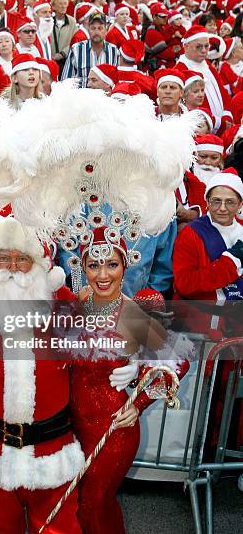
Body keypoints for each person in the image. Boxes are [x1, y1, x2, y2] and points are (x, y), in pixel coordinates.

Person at [0, 217, 138, 533]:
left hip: (51, 450)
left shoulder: (63, 303)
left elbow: (153, 340)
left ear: (37, 264)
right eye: (3, 257)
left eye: (22, 258)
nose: (12, 266)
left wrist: (136, 373)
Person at [71, 226, 190, 533]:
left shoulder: (132, 315)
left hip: (113, 430)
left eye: (112, 264)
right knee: (77, 504)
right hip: (69, 428)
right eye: (94, 265)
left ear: (125, 265)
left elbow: (180, 362)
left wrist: (138, 401)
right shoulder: (77, 303)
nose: (103, 275)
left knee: (93, 504)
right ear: (82, 267)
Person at [173, 168, 243, 336]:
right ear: (207, 201)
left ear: (240, 204)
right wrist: (230, 263)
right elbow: (185, 284)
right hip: (202, 329)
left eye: (230, 202)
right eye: (216, 201)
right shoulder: (191, 234)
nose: (222, 208)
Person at [62, 13, 119, 87]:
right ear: (88, 30)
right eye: (93, 28)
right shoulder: (76, 49)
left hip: (106, 97)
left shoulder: (114, 51)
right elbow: (66, 81)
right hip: (82, 97)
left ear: (106, 30)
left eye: (100, 28)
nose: (96, 32)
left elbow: (117, 80)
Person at [50, 0, 77, 76]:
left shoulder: (72, 21)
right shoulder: (49, 21)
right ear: (53, 6)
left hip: (67, 61)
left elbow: (75, 41)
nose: (63, 6)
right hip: (51, 61)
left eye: (65, 3)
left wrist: (62, 54)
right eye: (60, 3)